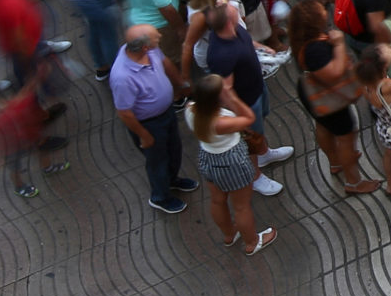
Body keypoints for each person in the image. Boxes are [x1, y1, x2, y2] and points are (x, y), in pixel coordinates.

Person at [188, 70, 278, 254]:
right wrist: (231, 97)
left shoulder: (191, 109)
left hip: (208, 157)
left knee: (217, 200)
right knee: (241, 206)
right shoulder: (222, 122)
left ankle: (230, 234)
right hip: (231, 160)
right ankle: (252, 242)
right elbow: (249, 118)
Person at [110, 23, 196, 213]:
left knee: (174, 150)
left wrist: (181, 84)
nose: (160, 37)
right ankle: (160, 197)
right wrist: (143, 135)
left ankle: (172, 180)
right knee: (157, 160)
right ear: (144, 47)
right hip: (149, 124)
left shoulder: (150, 50)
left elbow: (165, 63)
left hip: (166, 113)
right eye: (156, 37)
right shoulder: (122, 77)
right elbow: (124, 112)